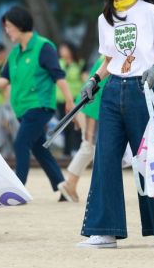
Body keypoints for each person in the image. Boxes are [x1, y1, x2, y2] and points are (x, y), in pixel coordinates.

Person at [77, 0, 154, 249]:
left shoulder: (149, 12)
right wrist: (94, 79)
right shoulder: (104, 18)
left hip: (143, 90)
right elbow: (109, 60)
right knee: (105, 160)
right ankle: (105, 231)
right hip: (112, 92)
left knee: (148, 160)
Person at [0, 6, 75, 200]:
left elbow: (58, 76)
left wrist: (69, 100)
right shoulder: (14, 54)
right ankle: (63, 188)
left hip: (40, 106)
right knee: (38, 148)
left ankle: (18, 189)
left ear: (20, 26)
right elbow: (4, 81)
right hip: (23, 109)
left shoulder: (44, 47)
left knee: (21, 143)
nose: (7, 31)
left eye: (9, 27)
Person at [59, 55, 107, 202]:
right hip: (91, 107)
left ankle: (70, 184)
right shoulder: (110, 57)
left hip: (88, 106)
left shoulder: (104, 57)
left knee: (89, 147)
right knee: (88, 147)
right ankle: (69, 184)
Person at [0, 44, 18, 159]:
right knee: (1, 127)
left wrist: (7, 102)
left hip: (6, 102)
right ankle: (5, 153)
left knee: (9, 127)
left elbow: (7, 85)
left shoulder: (7, 64)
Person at [57, 42, 85, 157]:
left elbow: (85, 79)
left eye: (64, 49)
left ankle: (76, 149)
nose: (62, 51)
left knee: (76, 125)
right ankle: (66, 151)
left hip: (75, 100)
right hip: (60, 99)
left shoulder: (80, 63)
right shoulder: (58, 63)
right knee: (64, 126)